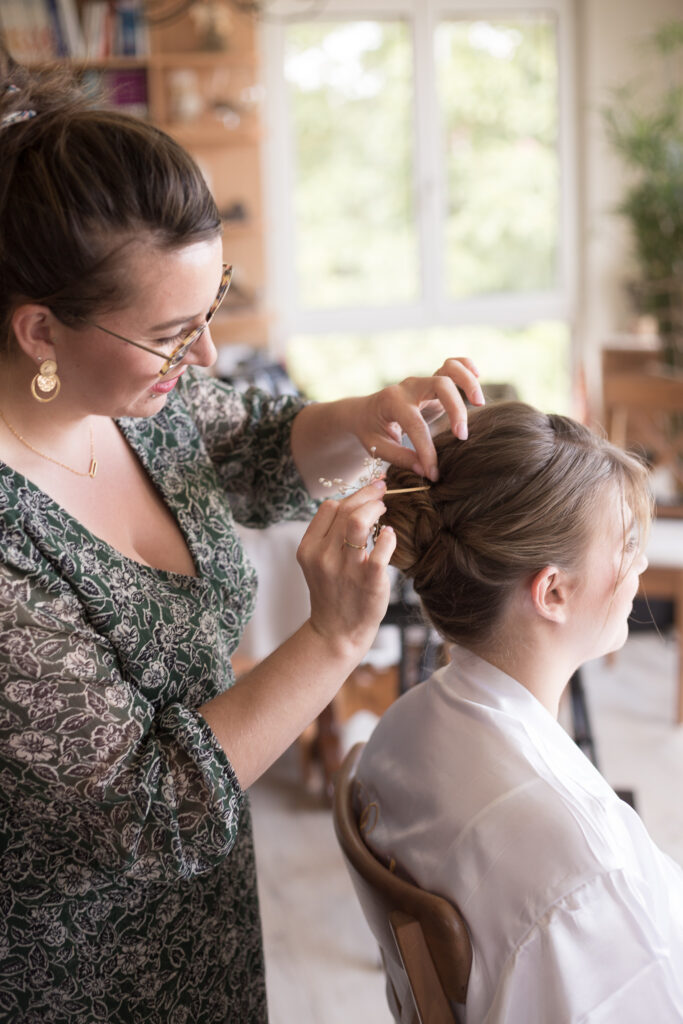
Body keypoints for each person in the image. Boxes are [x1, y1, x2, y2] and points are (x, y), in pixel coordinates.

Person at [0, 52, 485, 1024]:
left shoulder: (141, 404)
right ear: (41, 331)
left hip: (201, 931)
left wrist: (367, 416)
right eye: (171, 331)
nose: (208, 353)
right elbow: (148, 807)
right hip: (76, 976)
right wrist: (330, 643)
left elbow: (259, 445)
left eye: (211, 301)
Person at [356, 401, 683, 1023]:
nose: (639, 562)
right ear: (553, 591)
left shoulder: (396, 734)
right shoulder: (585, 873)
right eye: (626, 542)